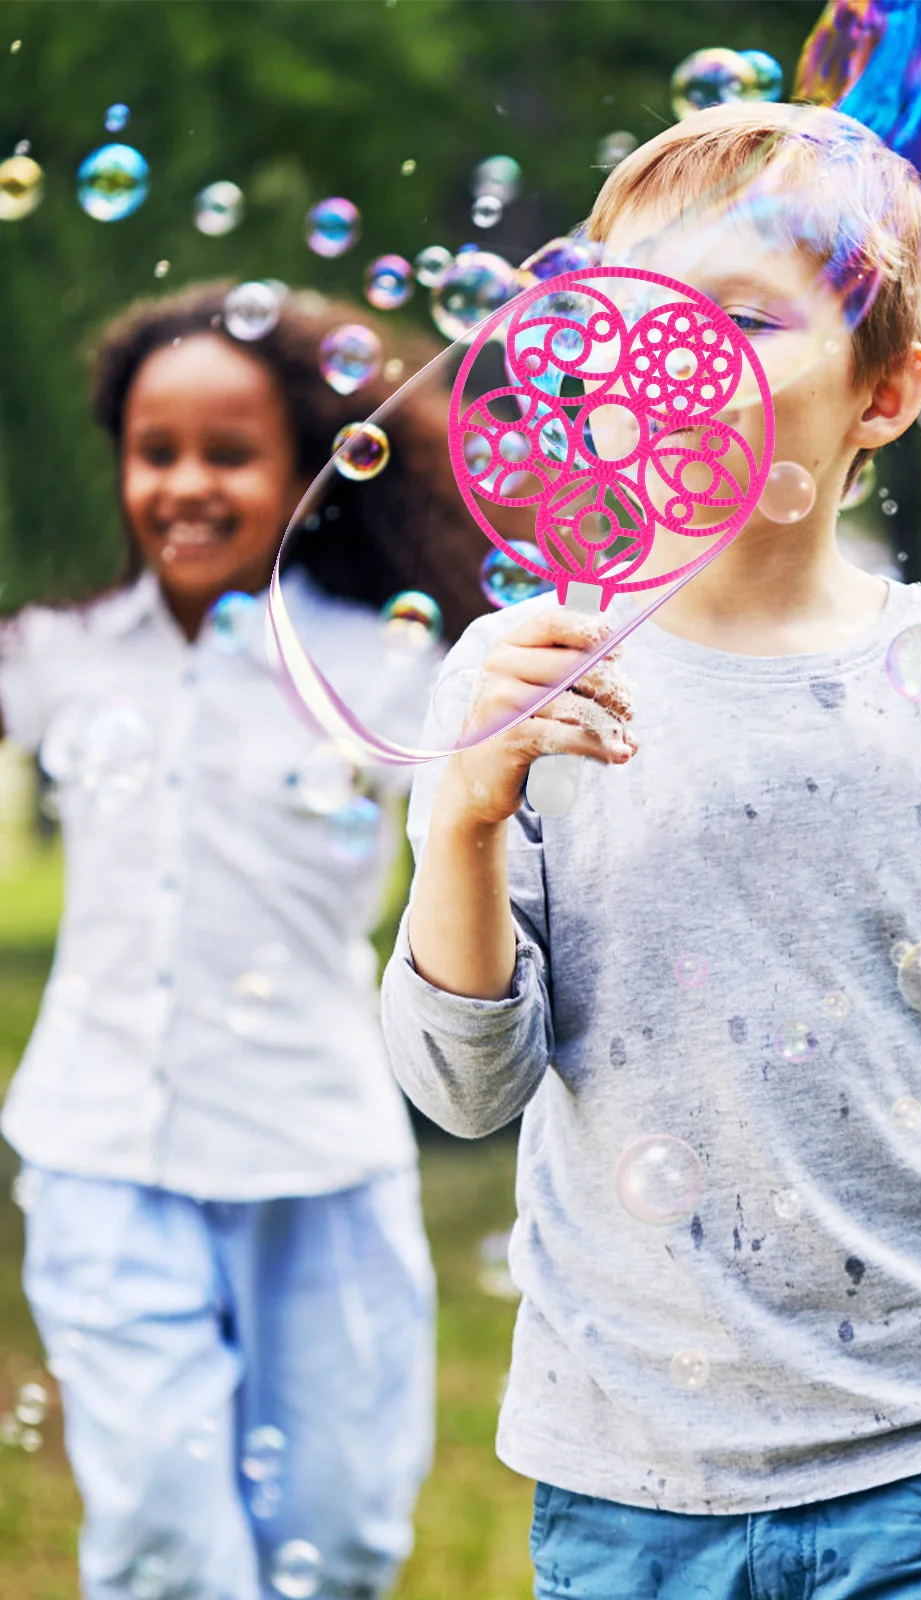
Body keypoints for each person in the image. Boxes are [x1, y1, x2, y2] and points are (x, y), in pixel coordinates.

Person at [381, 103, 921, 1600]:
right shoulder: (528, 670)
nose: (674, 360)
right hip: (627, 1483)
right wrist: (460, 825)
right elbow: (463, 1090)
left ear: (887, 393)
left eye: (744, 316)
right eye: (635, 316)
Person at [0, 280, 485, 1599]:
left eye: (231, 453)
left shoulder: (390, 668)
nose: (186, 487)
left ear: (310, 474)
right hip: (101, 1156)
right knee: (168, 1543)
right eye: (157, 453)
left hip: (317, 1160)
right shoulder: (52, 653)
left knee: (340, 1538)